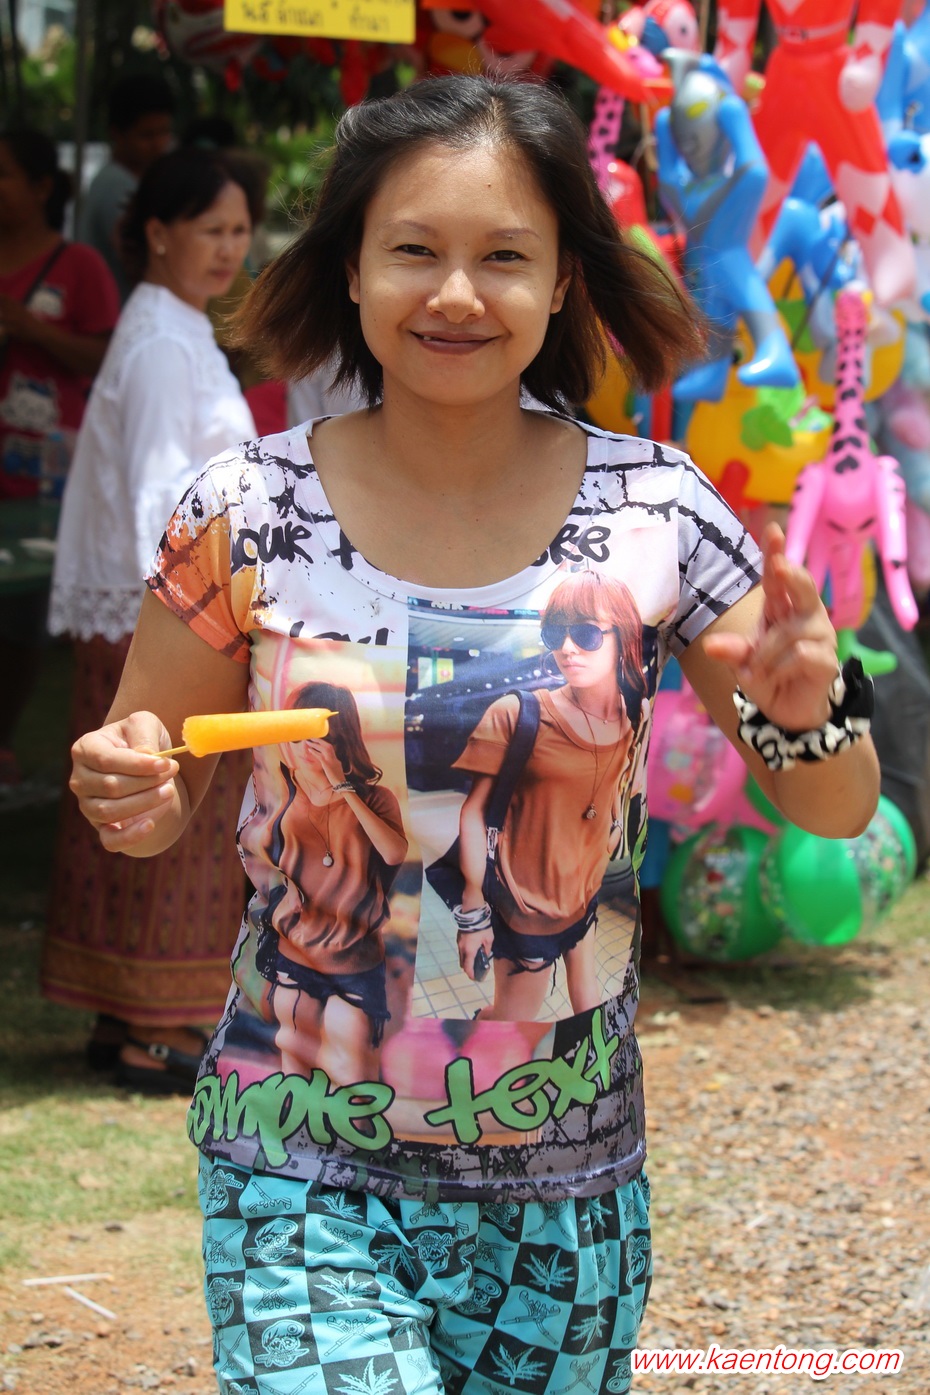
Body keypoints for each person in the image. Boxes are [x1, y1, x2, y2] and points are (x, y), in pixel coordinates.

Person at [68, 76, 880, 1394]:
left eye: (504, 255)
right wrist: (129, 789)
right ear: (350, 268)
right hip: (297, 1149)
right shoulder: (246, 508)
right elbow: (147, 779)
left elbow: (834, 810)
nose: (455, 294)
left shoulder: (659, 512)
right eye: (413, 250)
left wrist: (809, 713)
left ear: (563, 283)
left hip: (563, 1174)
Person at [43, 147, 256, 1092]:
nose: (228, 248)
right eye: (211, 229)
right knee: (168, 802)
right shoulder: (166, 340)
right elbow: (166, 499)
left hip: (152, 608)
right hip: (166, 614)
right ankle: (153, 1022)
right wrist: (192, 624)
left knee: (142, 802)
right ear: (158, 233)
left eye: (239, 231)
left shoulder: (169, 325)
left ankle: (130, 1018)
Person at [453, 570, 647, 1021]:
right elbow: (473, 813)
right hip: (524, 910)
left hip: (583, 899)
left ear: (623, 637)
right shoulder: (517, 714)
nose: (567, 648)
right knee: (512, 1022)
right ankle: (483, 1024)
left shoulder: (631, 720)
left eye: (586, 633)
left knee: (588, 1004)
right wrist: (473, 910)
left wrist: (611, 827)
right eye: (555, 634)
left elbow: (617, 788)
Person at [0, 127, 120, 783]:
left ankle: (4, 738)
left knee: (20, 622)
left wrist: (29, 329)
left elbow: (105, 357)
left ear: (42, 186)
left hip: (46, 470)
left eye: (5, 174)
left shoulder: (78, 266)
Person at [245, 681, 408, 1085]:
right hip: (295, 951)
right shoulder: (281, 792)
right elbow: (264, 854)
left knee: (353, 1066)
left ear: (341, 740)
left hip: (355, 957)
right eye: (296, 735)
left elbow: (393, 853)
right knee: (293, 1063)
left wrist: (342, 786)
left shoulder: (374, 799)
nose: (306, 748)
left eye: (319, 737)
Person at [77, 72, 175, 302]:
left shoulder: (126, 180)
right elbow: (141, 263)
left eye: (164, 132)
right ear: (117, 134)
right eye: (147, 135)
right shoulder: (117, 186)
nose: (158, 144)